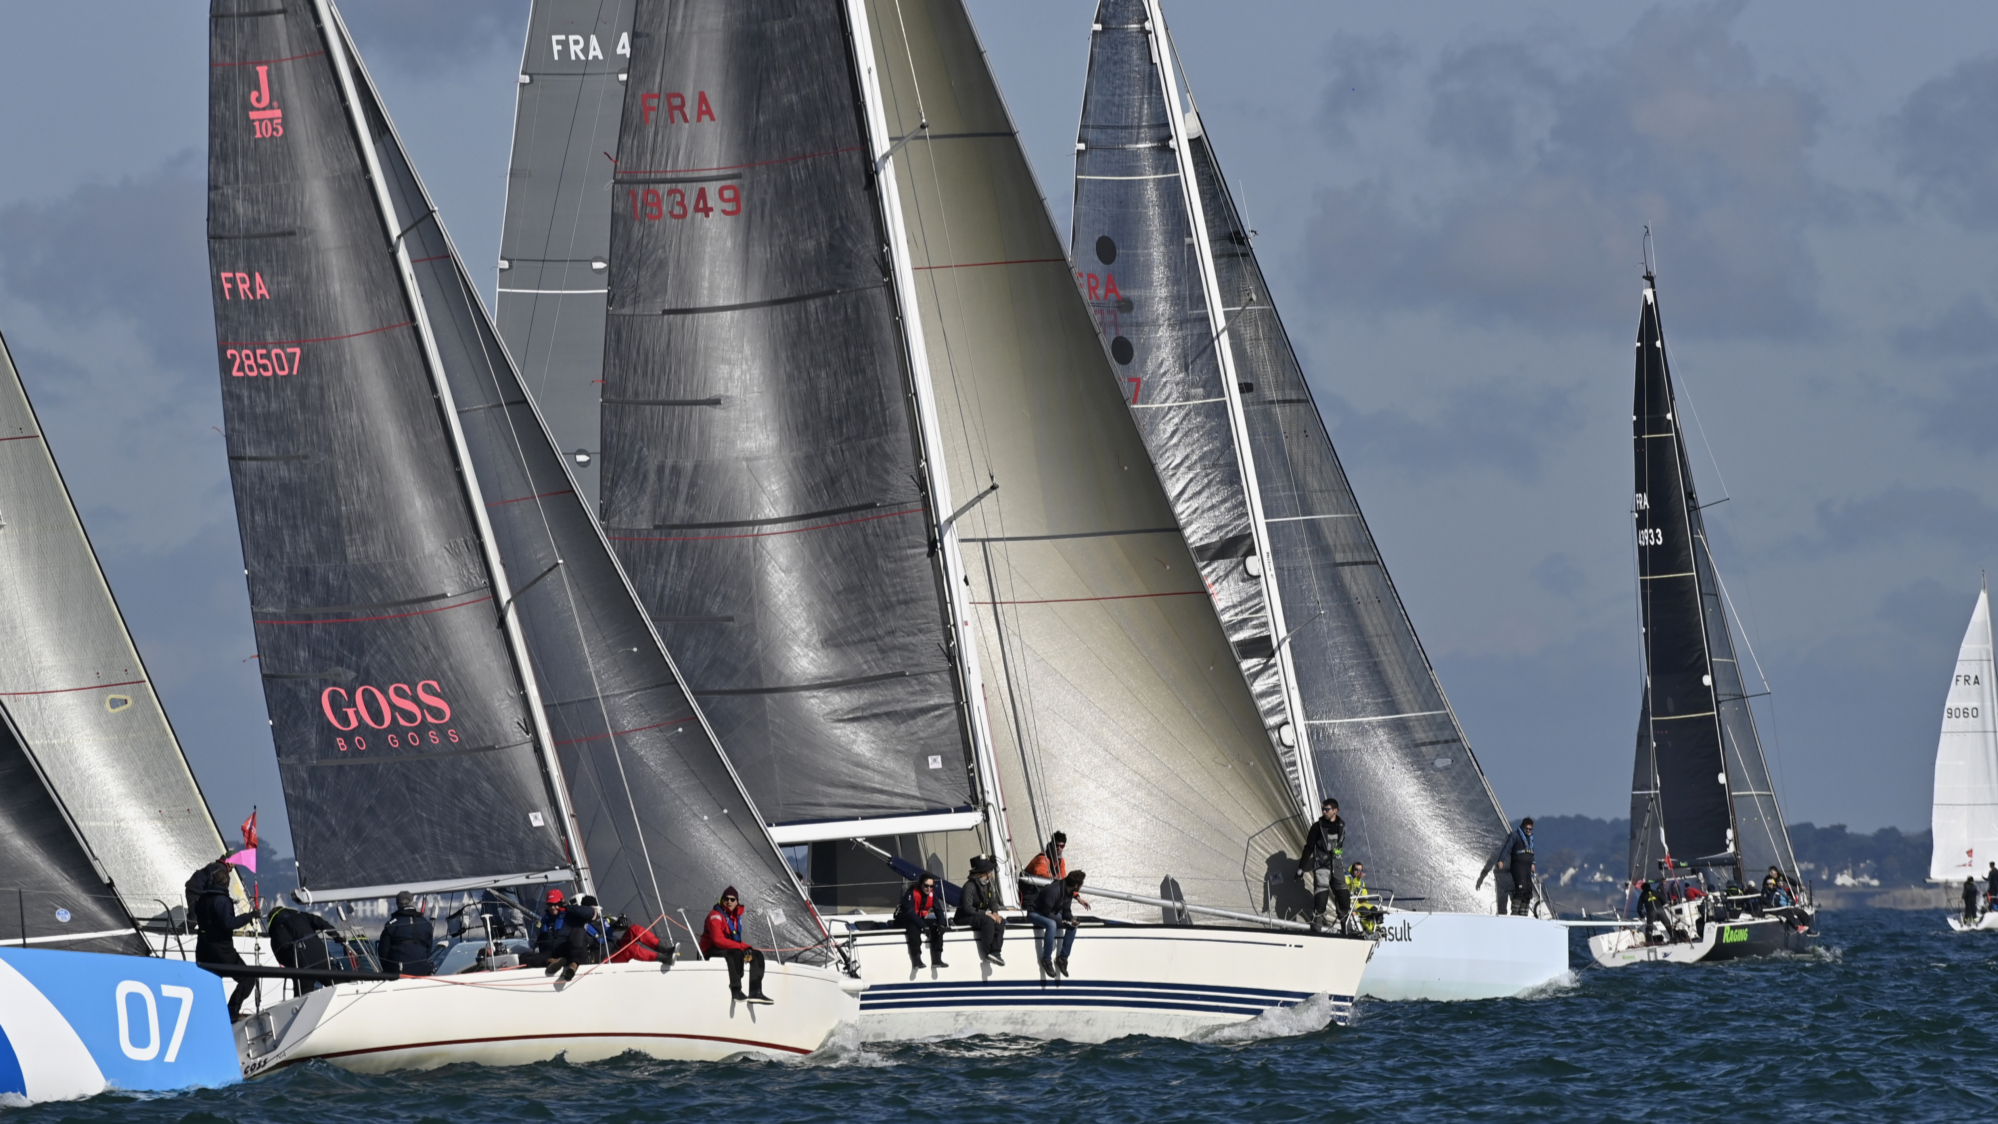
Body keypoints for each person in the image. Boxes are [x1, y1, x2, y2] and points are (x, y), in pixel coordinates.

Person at [192, 864, 258, 1021]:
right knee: (248, 978)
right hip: (222, 949)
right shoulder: (222, 900)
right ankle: (232, 1011)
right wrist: (250, 916)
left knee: (212, 981)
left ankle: (208, 1013)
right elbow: (229, 923)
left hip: (203, 948)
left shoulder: (201, 899)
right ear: (227, 883)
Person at [701, 886, 772, 1004]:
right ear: (722, 900)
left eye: (732, 899)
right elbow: (718, 940)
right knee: (736, 952)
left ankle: (756, 992)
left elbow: (735, 941)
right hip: (711, 950)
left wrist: (747, 947)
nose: (729, 901)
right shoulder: (715, 916)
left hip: (728, 947)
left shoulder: (735, 917)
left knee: (757, 955)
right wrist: (741, 947)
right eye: (726, 899)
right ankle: (736, 990)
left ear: (737, 901)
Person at [1295, 798, 1348, 932]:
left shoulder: (1341, 825)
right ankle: (1316, 931)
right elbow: (1308, 848)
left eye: (1327, 809)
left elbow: (1341, 847)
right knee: (1321, 900)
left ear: (1335, 810)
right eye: (1323, 809)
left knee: (1344, 898)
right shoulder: (1317, 827)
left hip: (1337, 867)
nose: (1324, 811)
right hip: (1321, 867)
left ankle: (1347, 930)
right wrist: (1301, 868)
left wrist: (1336, 853)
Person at [267, 902, 338, 993]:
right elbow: (320, 922)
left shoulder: (275, 935)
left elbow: (281, 959)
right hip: (321, 959)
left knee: (302, 1000)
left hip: (301, 969)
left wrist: (292, 966)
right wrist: (336, 936)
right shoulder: (302, 916)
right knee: (338, 986)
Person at [1027, 870, 1085, 978]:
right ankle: (1046, 960)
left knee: (1072, 927)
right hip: (1035, 913)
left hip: (1050, 913)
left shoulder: (1069, 891)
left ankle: (1062, 959)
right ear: (1076, 885)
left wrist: (1071, 919)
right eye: (1082, 883)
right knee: (1052, 924)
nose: (1082, 885)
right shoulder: (1054, 890)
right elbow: (1046, 912)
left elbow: (1066, 911)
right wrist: (1061, 921)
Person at [955, 855, 1007, 966]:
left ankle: (996, 952)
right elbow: (967, 908)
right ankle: (988, 952)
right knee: (987, 921)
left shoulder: (988, 885)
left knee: (1000, 921)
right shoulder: (969, 886)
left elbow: (993, 901)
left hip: (978, 914)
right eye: (990, 870)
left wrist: (995, 913)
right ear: (985, 872)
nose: (992, 873)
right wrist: (987, 914)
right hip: (963, 917)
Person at [1020, 831, 1088, 910]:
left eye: (1062, 846)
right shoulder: (1043, 858)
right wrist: (1052, 877)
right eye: (1057, 845)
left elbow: (1066, 880)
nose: (1059, 848)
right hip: (1030, 887)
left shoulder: (1060, 861)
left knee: (1061, 892)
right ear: (1052, 844)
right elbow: (1039, 871)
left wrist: (1077, 897)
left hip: (1041, 886)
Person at [897, 872, 949, 969]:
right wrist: (923, 926)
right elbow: (910, 912)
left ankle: (937, 958)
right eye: (926, 886)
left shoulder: (932, 894)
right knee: (914, 928)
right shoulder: (911, 893)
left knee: (936, 925)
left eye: (931, 886)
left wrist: (942, 923)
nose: (929, 889)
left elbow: (939, 910)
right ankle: (916, 959)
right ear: (921, 884)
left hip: (919, 919)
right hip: (905, 919)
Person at [378, 891, 436, 976]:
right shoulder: (426, 924)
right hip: (422, 971)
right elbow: (428, 951)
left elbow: (383, 953)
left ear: (397, 905)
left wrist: (387, 970)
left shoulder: (391, 925)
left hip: (398, 972)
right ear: (413, 903)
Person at [608, 914, 673, 965]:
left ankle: (665, 950)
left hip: (617, 946)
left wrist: (622, 921)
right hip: (608, 959)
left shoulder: (603, 919)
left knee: (635, 929)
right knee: (630, 949)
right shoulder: (597, 926)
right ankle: (664, 959)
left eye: (597, 909)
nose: (597, 911)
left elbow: (621, 925)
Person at [1505, 818, 1537, 916]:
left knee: (1528, 891)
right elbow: (1507, 848)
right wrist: (1501, 860)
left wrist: (1533, 863)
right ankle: (1514, 913)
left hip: (1527, 867)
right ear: (1523, 827)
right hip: (1518, 866)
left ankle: (1524, 915)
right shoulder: (1515, 836)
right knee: (1520, 889)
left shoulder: (1530, 839)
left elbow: (1531, 853)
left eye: (1530, 829)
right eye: (1526, 829)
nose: (1528, 831)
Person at [1345, 862, 1382, 934]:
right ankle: (1371, 930)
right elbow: (1351, 886)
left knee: (1376, 910)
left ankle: (1377, 927)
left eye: (1360, 870)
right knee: (1364, 911)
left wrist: (1364, 900)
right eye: (1356, 869)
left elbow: (1364, 894)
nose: (1358, 872)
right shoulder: (1346, 878)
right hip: (1350, 902)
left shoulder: (1361, 882)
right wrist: (1357, 878)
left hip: (1359, 902)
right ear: (1352, 869)